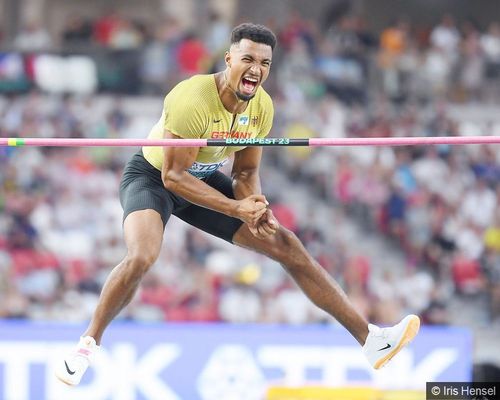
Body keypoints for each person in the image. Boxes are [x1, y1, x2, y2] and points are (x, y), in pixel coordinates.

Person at [55, 23, 420, 386]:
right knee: (142, 256)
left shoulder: (261, 107)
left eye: (265, 63)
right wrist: (235, 210)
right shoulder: (192, 98)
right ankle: (87, 345)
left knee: (287, 244)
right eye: (248, 59)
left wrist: (256, 208)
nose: (256, 69)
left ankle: (370, 340)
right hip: (154, 178)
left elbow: (245, 172)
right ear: (229, 59)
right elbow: (173, 177)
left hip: (203, 178)